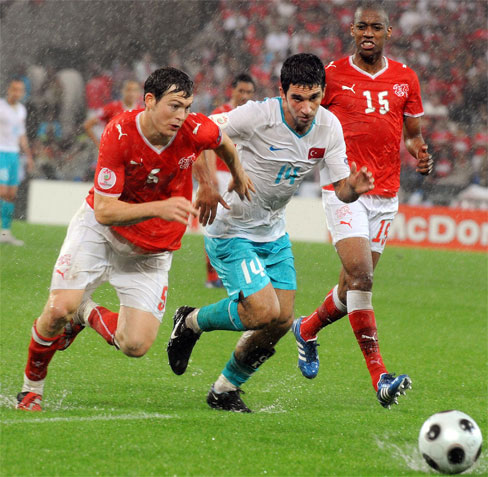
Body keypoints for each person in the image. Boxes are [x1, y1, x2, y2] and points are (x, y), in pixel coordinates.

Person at [16, 67, 253, 411]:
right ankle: (31, 389)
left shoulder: (194, 128)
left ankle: (85, 312)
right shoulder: (120, 133)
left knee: (135, 345)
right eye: (174, 106)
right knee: (56, 311)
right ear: (149, 101)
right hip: (101, 233)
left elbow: (222, 142)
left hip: (151, 250)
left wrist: (235, 175)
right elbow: (104, 211)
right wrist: (161, 207)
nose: (181, 115)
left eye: (187, 107)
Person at [167, 53, 375, 413]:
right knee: (262, 311)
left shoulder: (329, 127)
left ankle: (225, 389)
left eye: (314, 98)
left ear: (323, 93)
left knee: (280, 321)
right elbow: (197, 131)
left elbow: (341, 189)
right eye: (298, 98)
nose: (306, 108)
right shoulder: (257, 115)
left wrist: (353, 189)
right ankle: (190, 322)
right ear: (282, 93)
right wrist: (207, 184)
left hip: (273, 232)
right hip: (231, 228)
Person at [292, 2, 433, 409]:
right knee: (362, 277)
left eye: (375, 27)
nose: (368, 33)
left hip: (386, 196)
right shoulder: (332, 76)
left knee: (350, 285)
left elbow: (412, 134)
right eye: (361, 27)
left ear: (388, 32)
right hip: (344, 189)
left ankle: (307, 328)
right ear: (352, 31)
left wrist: (420, 152)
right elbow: (305, 119)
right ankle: (380, 377)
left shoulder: (405, 78)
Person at [204, 73, 256, 288]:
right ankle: (211, 276)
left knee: (239, 225)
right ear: (232, 91)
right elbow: (208, 145)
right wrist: (211, 175)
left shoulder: (253, 115)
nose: (244, 95)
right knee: (217, 223)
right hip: (222, 174)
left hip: (241, 175)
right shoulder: (221, 113)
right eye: (241, 91)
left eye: (249, 92)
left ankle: (236, 272)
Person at [0, 79, 34, 246]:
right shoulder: (1, 106)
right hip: (1, 152)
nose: (17, 93)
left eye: (20, 90)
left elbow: (21, 134)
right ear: (9, 90)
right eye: (14, 89)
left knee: (11, 194)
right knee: (2, 191)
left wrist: (29, 156)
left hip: (14, 155)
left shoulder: (21, 110)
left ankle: (5, 232)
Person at [83, 80, 142, 147]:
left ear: (139, 93)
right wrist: (99, 145)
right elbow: (87, 125)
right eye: (128, 90)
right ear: (122, 91)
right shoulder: (112, 108)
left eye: (135, 90)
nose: (131, 93)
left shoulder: (141, 111)